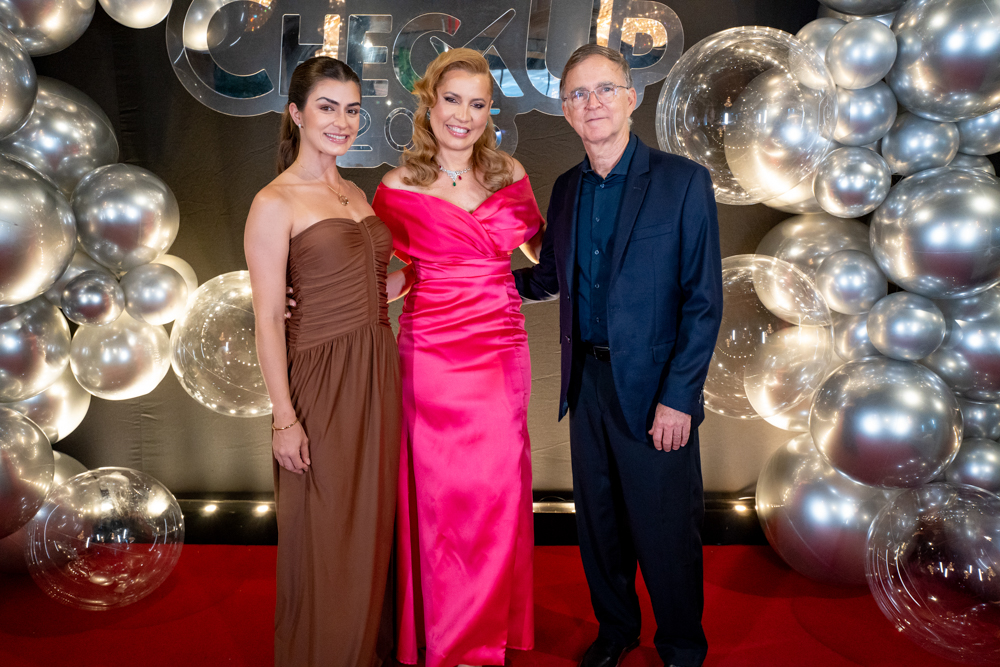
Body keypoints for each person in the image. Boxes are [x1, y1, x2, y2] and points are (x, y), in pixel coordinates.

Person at [514, 44, 723, 667]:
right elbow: (546, 277)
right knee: (599, 526)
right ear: (566, 110)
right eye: (578, 94)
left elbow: (703, 301)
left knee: (667, 532)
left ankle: (682, 646)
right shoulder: (564, 190)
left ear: (632, 97)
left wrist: (679, 398)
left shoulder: (683, 181)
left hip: (657, 390)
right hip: (588, 387)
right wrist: (455, 277)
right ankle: (616, 631)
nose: (592, 103)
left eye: (604, 89)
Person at [371, 48, 544, 667]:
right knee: (439, 499)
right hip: (430, 355)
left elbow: (546, 256)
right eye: (452, 100)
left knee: (496, 493)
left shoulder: (508, 175)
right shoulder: (397, 185)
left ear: (489, 111)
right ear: (429, 102)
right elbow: (382, 272)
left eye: (477, 104)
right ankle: (443, 638)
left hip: (498, 349)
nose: (463, 116)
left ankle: (486, 631)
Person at [244, 57, 403, 667]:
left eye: (352, 109)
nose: (342, 121)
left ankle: (369, 649)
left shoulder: (355, 191)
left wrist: (424, 278)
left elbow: (366, 285)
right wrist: (284, 417)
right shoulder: (274, 201)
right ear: (296, 113)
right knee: (330, 529)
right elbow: (266, 318)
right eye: (327, 107)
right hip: (322, 381)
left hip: (377, 373)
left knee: (371, 525)